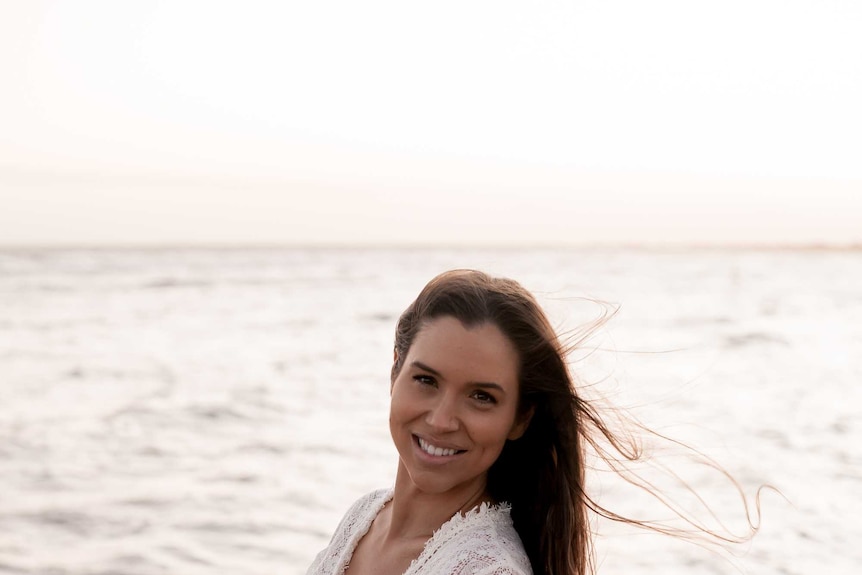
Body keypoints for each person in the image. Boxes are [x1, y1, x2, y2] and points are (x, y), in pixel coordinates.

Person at [306, 269, 758, 575]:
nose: (442, 419)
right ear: (394, 371)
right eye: (426, 380)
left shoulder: (488, 569)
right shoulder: (364, 517)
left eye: (481, 397)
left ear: (520, 418)